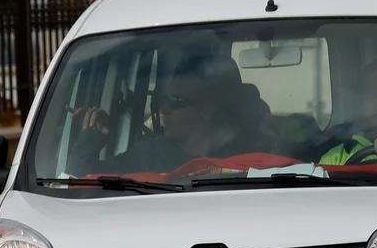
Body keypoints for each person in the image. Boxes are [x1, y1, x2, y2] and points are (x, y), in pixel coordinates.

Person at [76, 45, 285, 175]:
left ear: (206, 110)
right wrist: (91, 138)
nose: (163, 109)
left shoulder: (264, 152)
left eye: (176, 101)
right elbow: (78, 182)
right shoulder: (148, 155)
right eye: (164, 99)